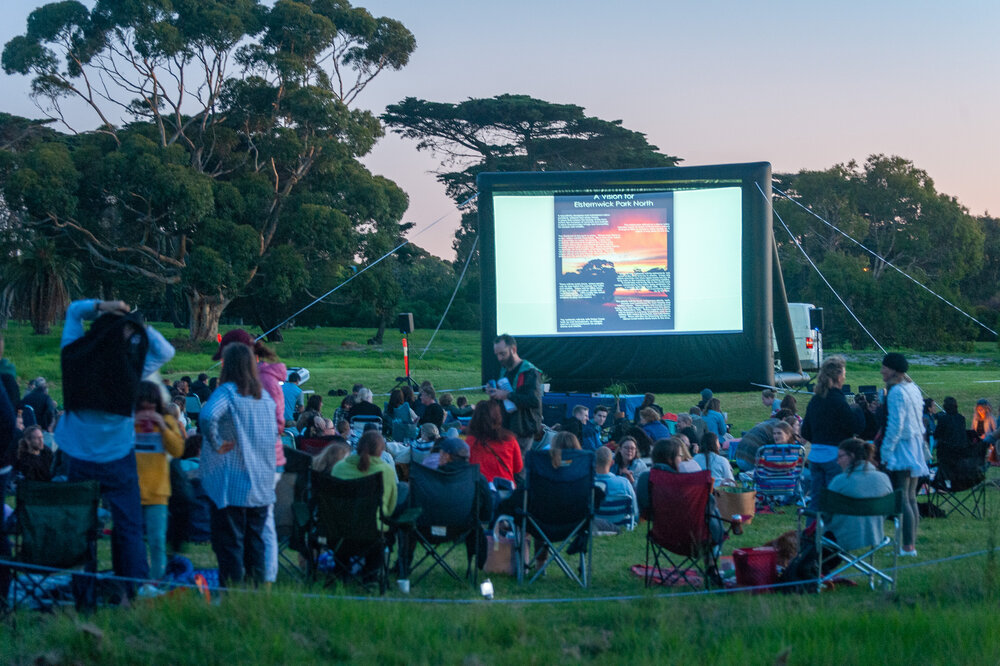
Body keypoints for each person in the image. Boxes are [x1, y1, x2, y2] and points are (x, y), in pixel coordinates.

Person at [56, 299, 175, 590]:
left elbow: (73, 312)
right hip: (118, 458)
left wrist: (103, 306)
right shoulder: (132, 368)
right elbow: (166, 351)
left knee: (81, 530)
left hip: (78, 456)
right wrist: (136, 321)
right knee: (129, 528)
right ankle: (131, 591)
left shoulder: (72, 356)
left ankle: (85, 594)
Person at [212, 328, 287, 586]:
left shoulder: (262, 381)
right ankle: (254, 579)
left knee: (260, 524)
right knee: (254, 523)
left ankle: (266, 579)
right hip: (251, 458)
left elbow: (277, 424)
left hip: (264, 460)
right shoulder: (252, 379)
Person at [133, 380, 186, 579]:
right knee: (132, 541)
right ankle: (134, 579)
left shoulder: (166, 421)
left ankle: (156, 582)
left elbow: (178, 450)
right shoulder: (129, 422)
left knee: (157, 541)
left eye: (151, 405)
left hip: (157, 491)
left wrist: (163, 426)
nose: (148, 409)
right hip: (132, 490)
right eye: (143, 405)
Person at [879, 352, 928, 557]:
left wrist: (885, 452)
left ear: (895, 371)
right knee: (911, 498)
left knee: (904, 498)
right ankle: (909, 544)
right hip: (915, 443)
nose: (882, 371)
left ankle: (908, 546)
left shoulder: (897, 392)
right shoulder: (913, 388)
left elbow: (895, 425)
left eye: (885, 367)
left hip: (903, 447)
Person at [800, 356, 865, 510]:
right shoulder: (838, 401)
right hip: (835, 456)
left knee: (816, 500)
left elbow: (805, 431)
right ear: (838, 376)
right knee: (834, 500)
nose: (845, 377)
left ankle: (813, 532)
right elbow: (855, 426)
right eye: (844, 373)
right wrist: (859, 410)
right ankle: (830, 533)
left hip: (815, 457)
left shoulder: (815, 401)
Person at [824, 438, 894, 552]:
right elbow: (888, 512)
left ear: (851, 456)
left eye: (840, 457)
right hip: (875, 535)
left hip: (840, 538)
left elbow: (825, 514)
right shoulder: (884, 478)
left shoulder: (840, 481)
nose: (837, 461)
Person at [332, 430, 402, 532]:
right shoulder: (386, 471)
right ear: (381, 451)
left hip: (340, 527)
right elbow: (390, 508)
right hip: (373, 529)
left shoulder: (339, 468)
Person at [487, 334, 543, 454]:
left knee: (518, 469)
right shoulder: (504, 372)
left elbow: (534, 401)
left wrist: (507, 395)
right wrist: (494, 394)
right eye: (497, 354)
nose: (499, 358)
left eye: (502, 353)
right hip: (506, 429)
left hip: (523, 430)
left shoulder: (529, 372)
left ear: (513, 349)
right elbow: (502, 400)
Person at [466, 399, 523, 486]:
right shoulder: (510, 439)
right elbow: (518, 468)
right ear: (498, 416)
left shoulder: (470, 442)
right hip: (505, 489)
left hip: (480, 490)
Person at [594, 446, 638, 523]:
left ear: (593, 462)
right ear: (612, 463)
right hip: (621, 525)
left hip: (595, 525)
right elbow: (635, 511)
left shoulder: (587, 484)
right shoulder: (624, 483)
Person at [933, 397, 968, 466]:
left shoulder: (943, 419)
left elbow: (937, 434)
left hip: (946, 450)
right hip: (960, 449)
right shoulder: (961, 418)